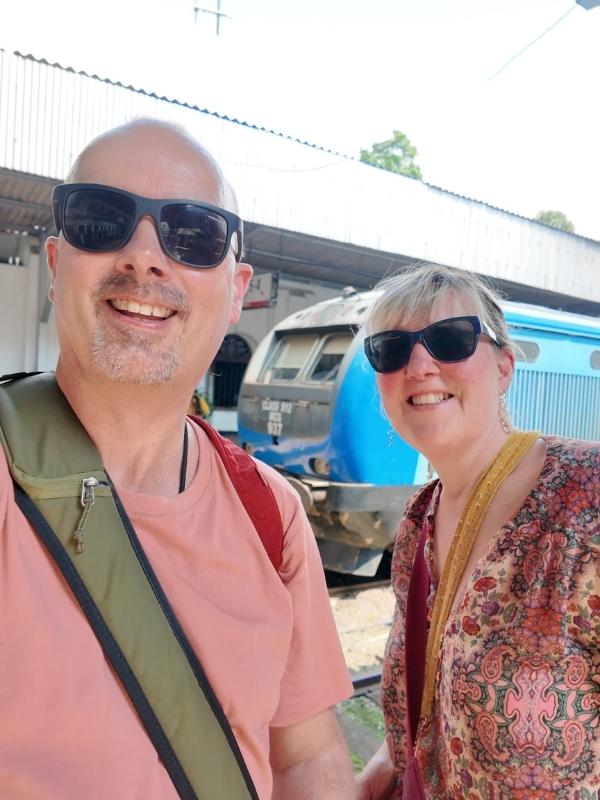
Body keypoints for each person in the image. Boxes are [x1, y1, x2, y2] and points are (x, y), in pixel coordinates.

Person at [0, 118, 357, 799]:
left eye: (192, 234)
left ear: (235, 291)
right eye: (100, 220)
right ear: (54, 266)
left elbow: (305, 757)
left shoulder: (270, 513)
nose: (143, 257)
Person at [355, 264, 600, 799]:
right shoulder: (419, 521)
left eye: (450, 340)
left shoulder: (588, 496)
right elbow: (423, 709)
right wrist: (374, 777)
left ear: (505, 367)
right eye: (391, 349)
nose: (419, 364)